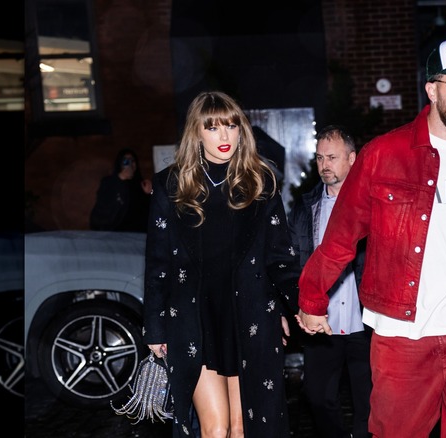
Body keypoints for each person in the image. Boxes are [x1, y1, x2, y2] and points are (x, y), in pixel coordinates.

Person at [295, 37, 446, 437]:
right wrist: (312, 297)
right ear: (431, 90)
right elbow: (340, 236)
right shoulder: (384, 155)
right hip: (402, 336)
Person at [142, 90, 301, 438]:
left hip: (248, 316)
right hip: (194, 318)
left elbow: (280, 257)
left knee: (244, 426)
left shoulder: (261, 182)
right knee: (215, 429)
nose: (224, 136)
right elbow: (157, 263)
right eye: (213, 128)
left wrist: (297, 306)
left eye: (231, 126)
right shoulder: (171, 185)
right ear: (196, 133)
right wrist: (154, 326)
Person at [287, 125, 371, 438]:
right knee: (318, 396)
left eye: (332, 157)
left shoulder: (373, 204)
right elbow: (294, 262)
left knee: (370, 402)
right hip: (323, 323)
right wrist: (297, 305)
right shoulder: (305, 207)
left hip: (366, 322)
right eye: (320, 157)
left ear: (352, 158)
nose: (324, 164)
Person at [90, 147, 152, 232]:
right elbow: (104, 202)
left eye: (132, 161)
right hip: (115, 233)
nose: (130, 164)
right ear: (119, 163)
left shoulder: (141, 184)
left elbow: (149, 210)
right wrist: (120, 179)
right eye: (126, 161)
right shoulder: (109, 182)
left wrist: (150, 192)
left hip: (138, 233)